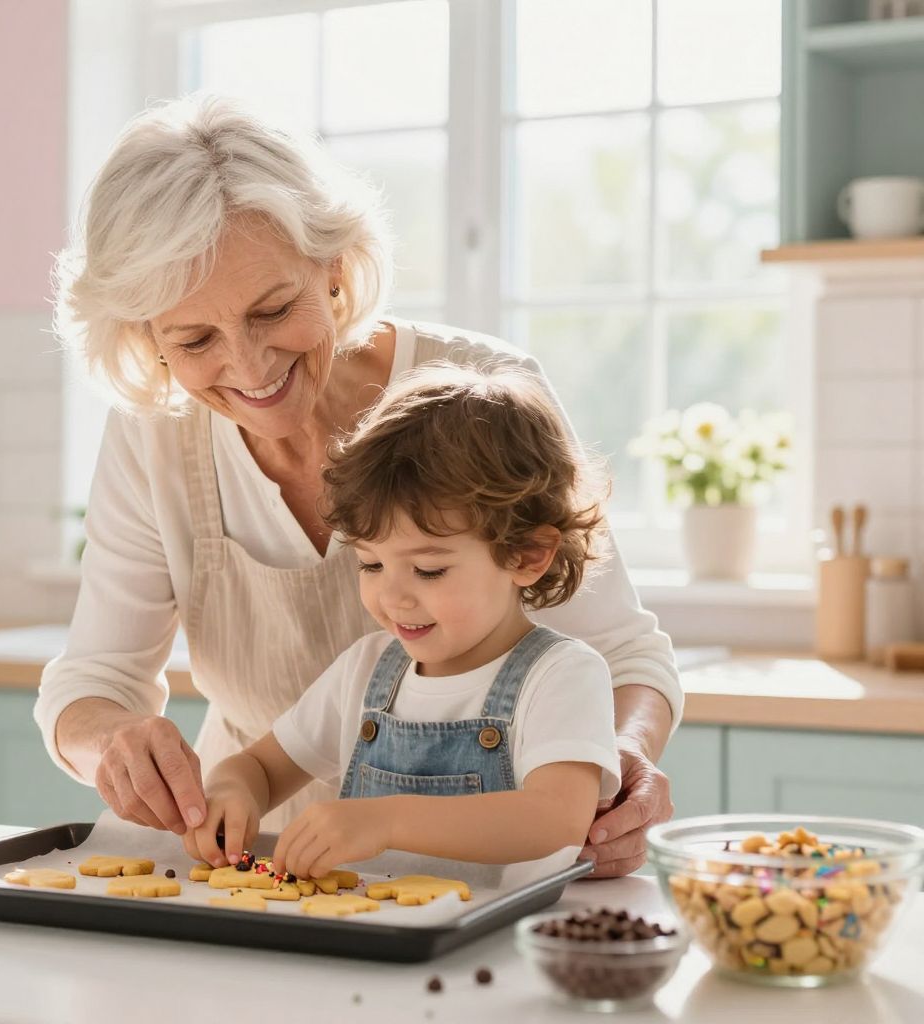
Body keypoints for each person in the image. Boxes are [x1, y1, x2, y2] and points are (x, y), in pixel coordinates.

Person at [36, 94, 679, 877]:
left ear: (334, 272)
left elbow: (620, 655)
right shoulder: (154, 438)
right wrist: (115, 745)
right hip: (261, 869)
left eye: (273, 310)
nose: (249, 365)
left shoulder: (481, 393)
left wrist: (611, 765)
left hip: (487, 880)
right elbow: (95, 682)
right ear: (146, 339)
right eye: (195, 339)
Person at [183, 363, 618, 875]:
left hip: (494, 947)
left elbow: (554, 820)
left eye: (428, 570)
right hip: (365, 940)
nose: (392, 596)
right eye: (370, 563)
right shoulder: (364, 671)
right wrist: (233, 791)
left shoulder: (562, 675)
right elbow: (258, 766)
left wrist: (383, 821)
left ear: (526, 555)